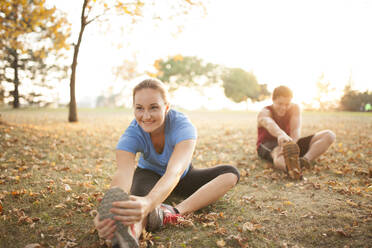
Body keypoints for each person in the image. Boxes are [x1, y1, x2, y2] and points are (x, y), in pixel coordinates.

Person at [93, 78, 240, 247]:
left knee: (230, 173)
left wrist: (150, 202)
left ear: (167, 107)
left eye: (154, 107)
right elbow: (123, 173)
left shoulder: (183, 126)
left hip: (182, 176)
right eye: (139, 108)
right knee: (137, 203)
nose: (146, 116)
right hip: (148, 175)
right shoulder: (131, 134)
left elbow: (175, 172)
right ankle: (128, 236)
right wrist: (109, 208)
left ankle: (173, 213)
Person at [256, 85, 336, 179]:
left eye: (287, 104)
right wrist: (281, 135)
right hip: (268, 144)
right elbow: (269, 124)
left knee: (329, 135)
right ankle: (292, 170)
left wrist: (291, 144)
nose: (283, 108)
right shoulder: (264, 112)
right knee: (278, 152)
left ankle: (304, 161)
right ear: (273, 100)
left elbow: (295, 131)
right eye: (280, 103)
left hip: (290, 142)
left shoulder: (294, 108)